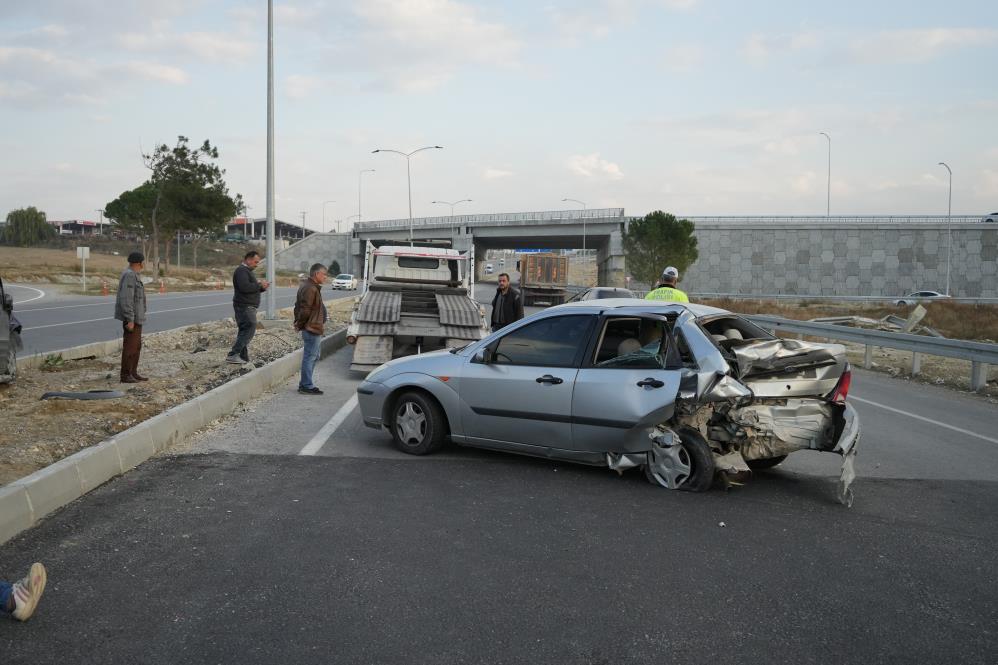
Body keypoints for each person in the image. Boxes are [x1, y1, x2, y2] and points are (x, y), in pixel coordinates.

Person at [227, 251, 270, 364]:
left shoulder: (246, 271)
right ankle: (233, 354)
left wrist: (262, 288)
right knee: (250, 327)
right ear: (248, 259)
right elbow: (245, 287)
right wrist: (259, 285)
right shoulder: (242, 271)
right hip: (245, 306)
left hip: (247, 306)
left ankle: (243, 358)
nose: (257, 265)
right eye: (256, 262)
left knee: (244, 331)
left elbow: (251, 289)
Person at [114, 252, 148, 383]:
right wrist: (130, 319)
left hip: (137, 317)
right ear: (138, 263)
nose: (144, 264)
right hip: (132, 319)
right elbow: (126, 299)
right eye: (143, 262)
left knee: (136, 346)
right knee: (130, 347)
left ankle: (133, 372)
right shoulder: (129, 275)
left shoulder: (134, 275)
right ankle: (126, 375)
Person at [294, 263, 328, 395]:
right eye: (324, 274)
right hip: (311, 328)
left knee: (314, 356)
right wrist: (300, 324)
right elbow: (305, 309)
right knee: (310, 357)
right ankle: (306, 385)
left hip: (313, 327)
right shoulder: (310, 288)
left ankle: (305, 383)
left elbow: (298, 307)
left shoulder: (310, 286)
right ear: (316, 274)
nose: (325, 277)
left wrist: (298, 322)